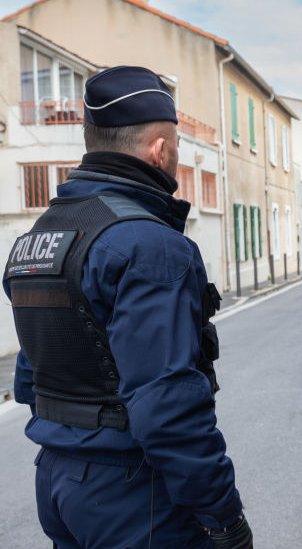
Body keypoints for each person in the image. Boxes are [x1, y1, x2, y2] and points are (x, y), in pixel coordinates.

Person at [5, 66, 251, 548]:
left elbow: (30, 378)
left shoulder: (37, 239)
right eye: (176, 148)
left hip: (58, 482)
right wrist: (223, 515)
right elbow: (168, 407)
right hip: (134, 494)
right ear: (161, 149)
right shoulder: (149, 245)